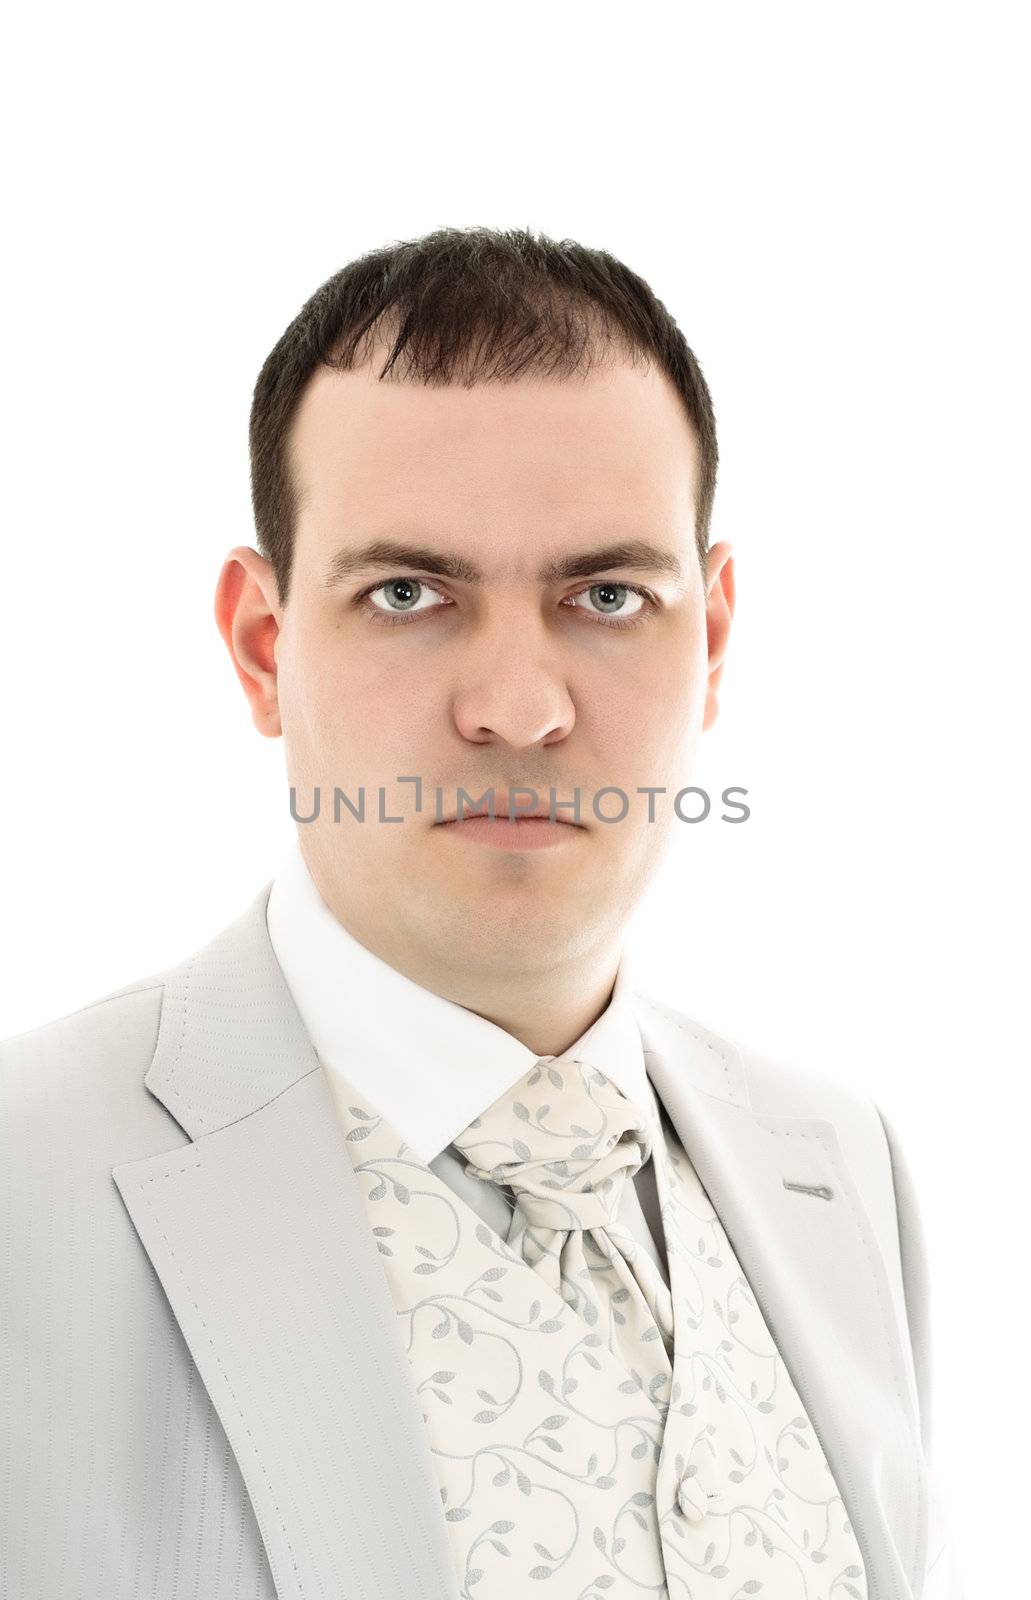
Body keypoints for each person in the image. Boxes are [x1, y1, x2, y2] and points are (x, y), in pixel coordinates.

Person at [0, 226, 959, 1599]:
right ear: (264, 647)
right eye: (409, 594)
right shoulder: (19, 1184)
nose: (519, 709)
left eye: (609, 595)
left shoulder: (844, 1163)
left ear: (716, 640)